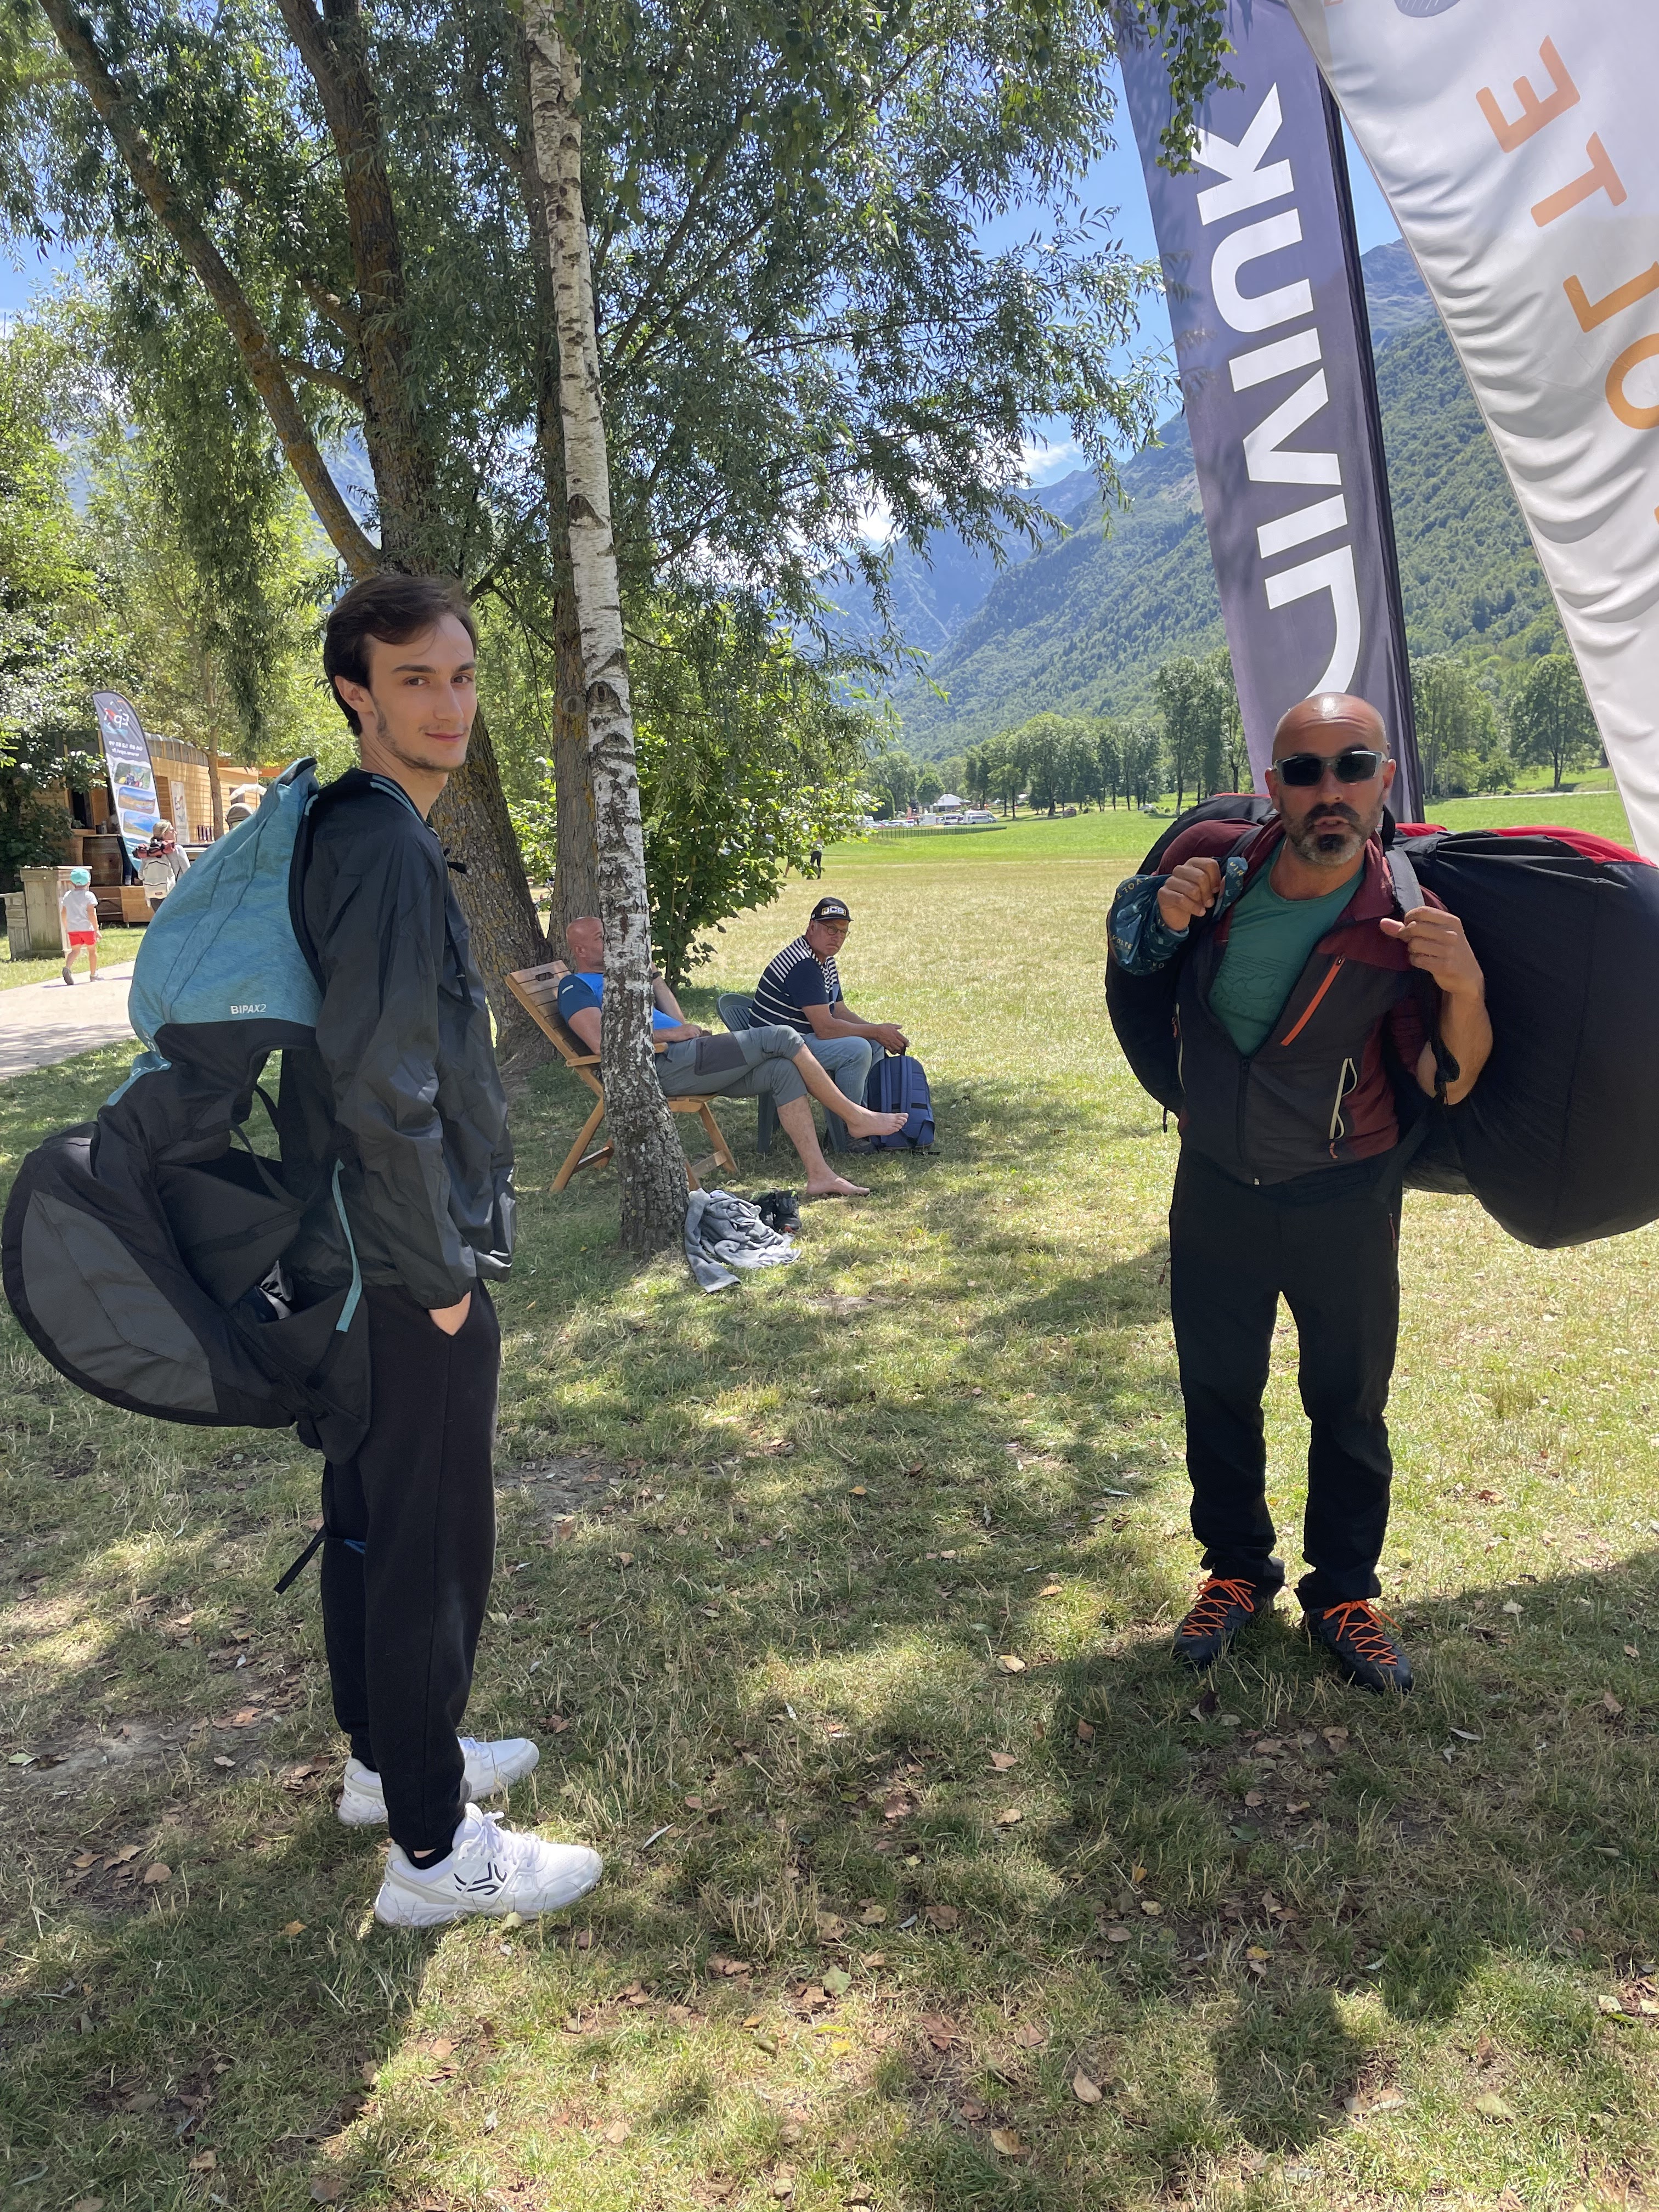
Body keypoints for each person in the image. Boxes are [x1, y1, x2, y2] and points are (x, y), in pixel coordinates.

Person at [280, 571, 602, 1927]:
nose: (448, 704)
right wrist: (442, 1277)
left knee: (369, 1516)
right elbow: (382, 1086)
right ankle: (430, 1848)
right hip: (397, 1262)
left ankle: (382, 1762)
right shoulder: (391, 848)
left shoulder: (346, 827)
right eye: (414, 678)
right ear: (355, 692)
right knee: (428, 1540)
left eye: (462, 677)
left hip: (343, 1254)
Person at [1107, 692, 1492, 1694]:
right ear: (1273, 787)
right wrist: (1163, 911)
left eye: (1352, 766)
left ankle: (1344, 1593)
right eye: (1305, 771)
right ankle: (1235, 1570)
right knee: (1216, 1386)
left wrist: (1463, 987)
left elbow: (1446, 1077)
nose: (1330, 790)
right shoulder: (1218, 867)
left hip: (1343, 1195)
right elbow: (1130, 959)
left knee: (1347, 1401)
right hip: (1216, 1186)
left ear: (1383, 780)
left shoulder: (1402, 915)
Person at [555, 914, 907, 1200]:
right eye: (603, 938)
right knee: (782, 1035)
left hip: (688, 1056)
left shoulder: (623, 983)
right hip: (662, 1066)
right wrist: (670, 1035)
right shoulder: (575, 986)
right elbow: (601, 1044)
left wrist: (655, 978)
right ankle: (854, 1117)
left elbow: (679, 1021)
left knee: (783, 1070)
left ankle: (820, 1176)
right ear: (580, 950)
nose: (614, 942)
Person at [752, 896, 909, 1124]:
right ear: (812, 926)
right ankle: (849, 1127)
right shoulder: (804, 965)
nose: (837, 937)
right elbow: (825, 1029)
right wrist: (876, 1031)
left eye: (843, 932)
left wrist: (880, 1033)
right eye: (831, 929)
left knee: (873, 1043)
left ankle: (869, 1114)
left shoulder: (824, 960)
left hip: (794, 1038)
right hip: (775, 1046)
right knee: (857, 1051)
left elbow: (839, 1011)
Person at [59, 867, 100, 985]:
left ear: (72, 883)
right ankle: (93, 975)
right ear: (89, 882)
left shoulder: (68, 895)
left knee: (75, 951)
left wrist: (66, 926)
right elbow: (91, 913)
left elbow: (64, 912)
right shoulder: (89, 896)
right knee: (92, 951)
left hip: (73, 928)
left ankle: (67, 968)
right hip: (87, 928)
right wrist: (96, 929)